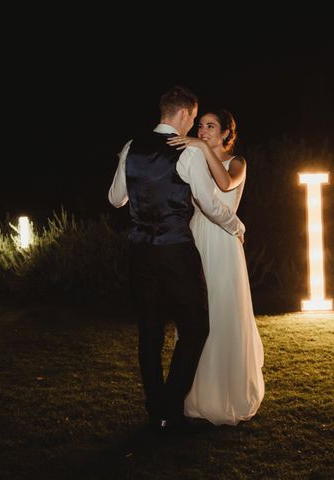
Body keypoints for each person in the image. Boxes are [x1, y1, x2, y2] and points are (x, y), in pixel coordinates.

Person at [108, 87, 245, 432]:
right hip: (176, 250)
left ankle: (157, 409)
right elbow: (211, 205)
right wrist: (236, 224)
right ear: (185, 114)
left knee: (150, 330)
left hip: (140, 251)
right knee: (196, 326)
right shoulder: (186, 153)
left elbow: (115, 199)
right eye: (195, 120)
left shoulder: (130, 147)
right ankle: (171, 404)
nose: (195, 127)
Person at [167, 109, 264, 425]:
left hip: (224, 241)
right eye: (200, 125)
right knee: (194, 313)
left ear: (225, 133)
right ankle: (194, 393)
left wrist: (198, 145)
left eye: (210, 126)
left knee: (223, 311)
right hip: (195, 238)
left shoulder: (237, 163)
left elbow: (224, 185)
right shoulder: (194, 158)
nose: (202, 130)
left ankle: (227, 393)